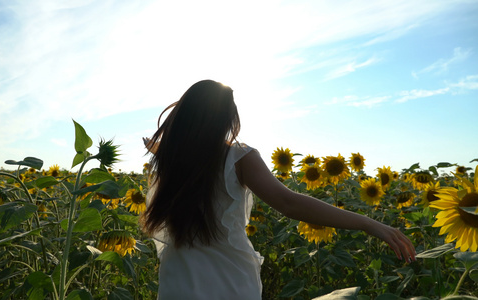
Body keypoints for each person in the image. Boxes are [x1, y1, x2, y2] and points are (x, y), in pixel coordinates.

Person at [141, 79, 416, 300]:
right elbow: (289, 203)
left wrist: (160, 149)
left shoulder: (170, 162)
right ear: (225, 119)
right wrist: (368, 224)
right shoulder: (238, 158)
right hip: (228, 282)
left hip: (178, 283)